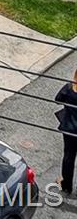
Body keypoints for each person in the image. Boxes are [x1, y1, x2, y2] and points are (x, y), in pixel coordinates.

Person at [58, 68, 77, 196]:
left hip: (69, 129)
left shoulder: (69, 88)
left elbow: (58, 98)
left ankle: (66, 186)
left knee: (69, 157)